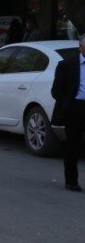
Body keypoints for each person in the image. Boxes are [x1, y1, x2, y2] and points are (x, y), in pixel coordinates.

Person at [51, 35, 85, 192]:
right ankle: (71, 181)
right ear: (81, 47)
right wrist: (67, 105)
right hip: (75, 108)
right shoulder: (67, 65)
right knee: (73, 145)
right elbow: (56, 90)